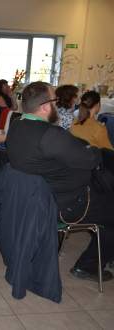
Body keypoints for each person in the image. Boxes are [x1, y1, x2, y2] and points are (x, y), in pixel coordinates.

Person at [6, 81, 114, 282]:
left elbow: (67, 150)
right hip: (67, 204)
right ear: (45, 106)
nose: (58, 104)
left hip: (35, 198)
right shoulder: (50, 135)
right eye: (55, 100)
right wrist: (92, 150)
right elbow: (90, 159)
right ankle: (87, 267)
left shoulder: (17, 125)